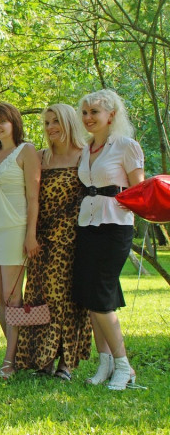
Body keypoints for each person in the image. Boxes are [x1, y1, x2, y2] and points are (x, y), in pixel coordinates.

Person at [14, 104, 92, 379]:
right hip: (41, 238)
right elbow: (30, 198)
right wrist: (30, 234)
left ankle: (66, 363)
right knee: (39, 296)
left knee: (66, 299)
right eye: (46, 123)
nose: (50, 128)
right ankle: (43, 358)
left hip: (73, 239)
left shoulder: (85, 156)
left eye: (55, 121)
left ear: (69, 122)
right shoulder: (40, 157)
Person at [73, 90, 144, 390]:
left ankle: (125, 367)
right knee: (91, 297)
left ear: (111, 115)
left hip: (115, 227)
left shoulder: (126, 146)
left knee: (101, 297)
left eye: (95, 112)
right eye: (85, 112)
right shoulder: (85, 149)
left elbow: (140, 191)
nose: (88, 118)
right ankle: (105, 363)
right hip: (87, 225)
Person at [0, 102, 40, 379]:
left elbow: (33, 197)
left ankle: (9, 361)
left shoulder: (27, 151)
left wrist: (30, 234)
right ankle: (17, 353)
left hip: (15, 228)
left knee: (12, 297)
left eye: (2, 121)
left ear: (14, 122)